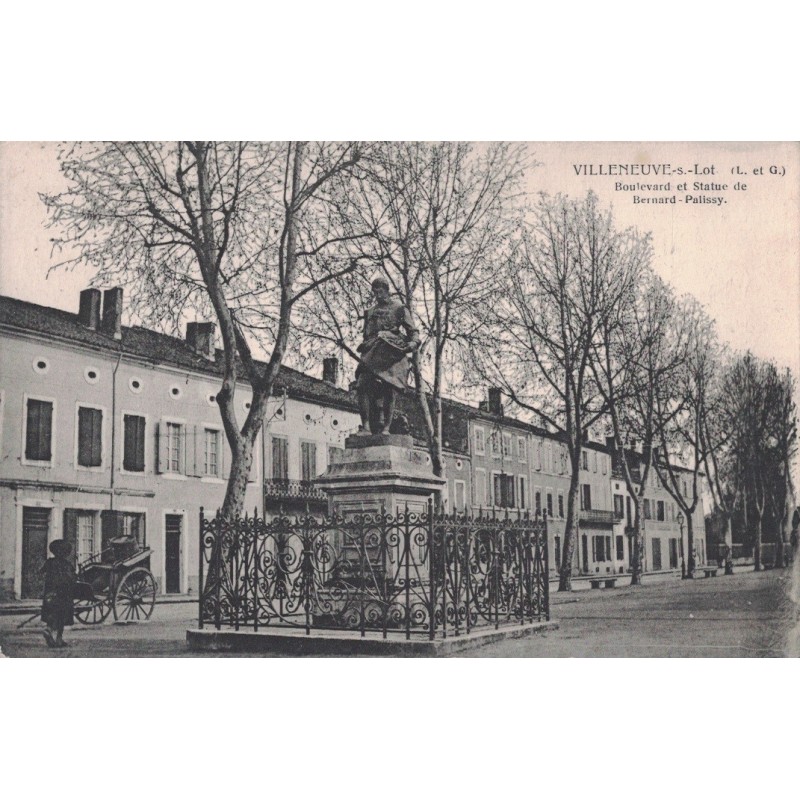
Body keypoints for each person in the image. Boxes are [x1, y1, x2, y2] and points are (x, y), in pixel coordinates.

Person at [354, 277, 420, 435]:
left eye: (380, 290)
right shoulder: (370, 312)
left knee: (389, 389)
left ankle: (386, 428)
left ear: (387, 290)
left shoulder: (399, 308)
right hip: (373, 352)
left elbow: (414, 333)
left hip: (392, 353)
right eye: (375, 291)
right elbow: (366, 335)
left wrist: (412, 344)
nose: (378, 294)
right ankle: (366, 427)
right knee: (362, 385)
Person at [40, 539, 77, 648]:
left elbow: (41, 572)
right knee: (62, 616)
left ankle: (49, 629)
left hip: (50, 593)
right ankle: (59, 639)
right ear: (66, 553)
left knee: (50, 613)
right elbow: (72, 578)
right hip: (64, 594)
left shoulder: (49, 562)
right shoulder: (67, 564)